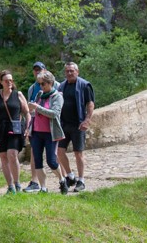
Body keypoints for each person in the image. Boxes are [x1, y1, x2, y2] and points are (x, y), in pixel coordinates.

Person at [24, 70, 68, 194]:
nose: (41, 86)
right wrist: (29, 126)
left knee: (51, 161)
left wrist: (37, 107)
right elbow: (34, 114)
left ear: (50, 83)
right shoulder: (39, 94)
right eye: (39, 84)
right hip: (37, 132)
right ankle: (43, 187)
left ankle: (62, 179)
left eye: (43, 84)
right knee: (37, 160)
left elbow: (54, 114)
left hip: (50, 133)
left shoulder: (57, 96)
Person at [57, 61, 95, 193]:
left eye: (71, 71)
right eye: (67, 71)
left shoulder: (85, 85)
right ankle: (70, 176)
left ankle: (81, 180)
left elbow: (90, 104)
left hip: (78, 124)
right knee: (59, 152)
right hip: (63, 124)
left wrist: (87, 120)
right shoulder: (61, 86)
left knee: (78, 153)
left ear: (77, 72)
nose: (69, 73)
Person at [22, 61, 45, 191]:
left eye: (39, 70)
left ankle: (64, 178)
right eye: (35, 70)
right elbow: (29, 109)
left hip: (50, 123)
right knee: (34, 153)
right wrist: (28, 126)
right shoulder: (32, 88)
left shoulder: (56, 85)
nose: (37, 72)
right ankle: (34, 181)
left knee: (57, 153)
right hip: (36, 123)